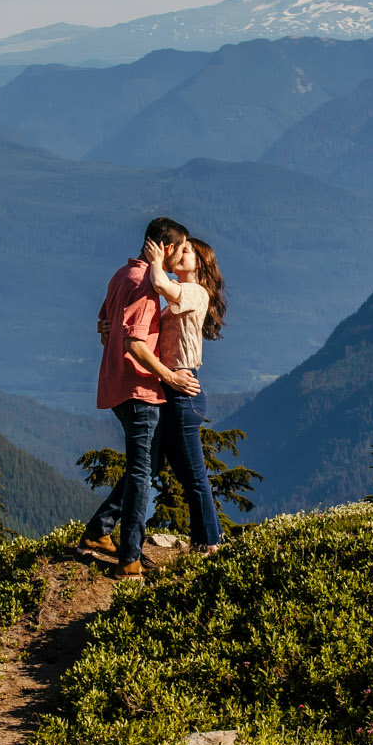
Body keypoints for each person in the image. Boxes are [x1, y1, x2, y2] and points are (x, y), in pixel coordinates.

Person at [82, 217, 198, 577]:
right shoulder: (145, 285)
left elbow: (105, 328)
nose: (182, 256)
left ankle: (99, 531)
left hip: (115, 385)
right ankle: (129, 557)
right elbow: (134, 344)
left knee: (149, 466)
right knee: (139, 472)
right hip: (141, 390)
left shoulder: (121, 275)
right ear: (166, 249)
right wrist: (170, 377)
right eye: (180, 249)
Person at [143, 233, 228, 554]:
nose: (181, 253)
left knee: (193, 476)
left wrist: (155, 262)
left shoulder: (195, 292)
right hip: (176, 390)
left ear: (199, 264)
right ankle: (206, 540)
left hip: (183, 392)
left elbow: (162, 286)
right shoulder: (187, 295)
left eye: (188, 251)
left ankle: (209, 544)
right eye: (181, 248)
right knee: (185, 472)